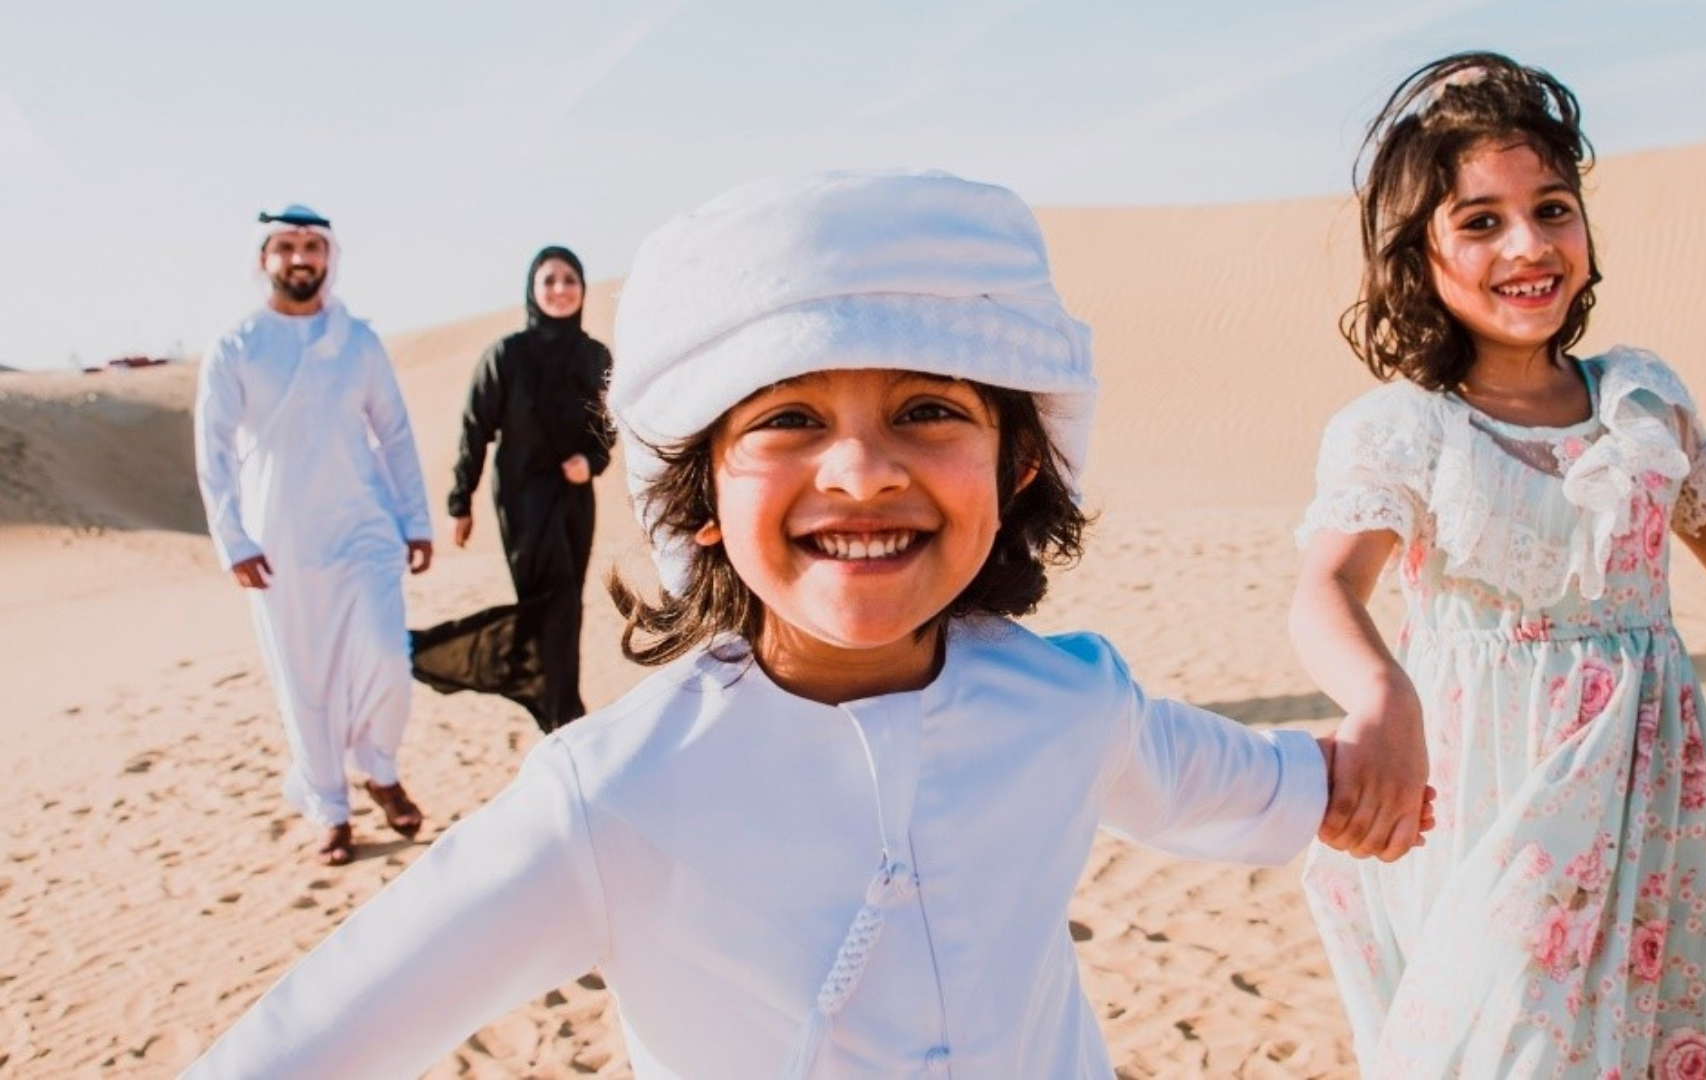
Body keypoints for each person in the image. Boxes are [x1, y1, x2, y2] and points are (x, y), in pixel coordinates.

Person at [184, 169, 1369, 1078]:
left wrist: (1368, 764)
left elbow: (1241, 782)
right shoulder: (616, 793)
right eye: (789, 418)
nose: (862, 472)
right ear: (697, 497)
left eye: (928, 409)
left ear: (1018, 469)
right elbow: (318, 1036)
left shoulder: (1068, 702)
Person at [1290, 52, 1706, 1077]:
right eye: (1480, 222)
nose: (1529, 244)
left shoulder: (1641, 403)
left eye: (1552, 208)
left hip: (1639, 778)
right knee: (1488, 1047)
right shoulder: (1406, 429)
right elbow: (1326, 588)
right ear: (1418, 255)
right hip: (1479, 785)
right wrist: (1379, 698)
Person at [194, 204, 437, 867]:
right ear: (264, 258)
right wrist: (233, 539)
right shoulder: (237, 345)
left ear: (329, 256)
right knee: (304, 682)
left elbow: (394, 432)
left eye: (312, 246)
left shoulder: (358, 342)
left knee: (386, 659)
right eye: (287, 246)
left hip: (365, 529)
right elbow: (213, 449)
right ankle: (330, 808)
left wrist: (416, 520)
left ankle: (379, 768)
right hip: (280, 542)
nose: (301, 257)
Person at [413, 245, 614, 732]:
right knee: (553, 599)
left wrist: (591, 462)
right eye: (550, 280)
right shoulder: (506, 356)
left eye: (570, 279)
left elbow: (610, 426)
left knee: (566, 605)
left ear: (582, 288)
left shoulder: (594, 357)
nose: (560, 289)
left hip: (575, 498)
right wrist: (460, 503)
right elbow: (475, 430)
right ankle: (564, 717)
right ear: (532, 289)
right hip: (523, 501)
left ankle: (557, 712)